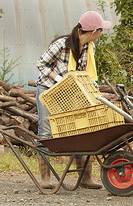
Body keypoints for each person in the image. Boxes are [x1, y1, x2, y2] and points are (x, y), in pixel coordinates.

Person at [35, 11, 112, 189]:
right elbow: (41, 63)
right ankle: (45, 179)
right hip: (48, 89)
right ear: (94, 31)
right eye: (101, 31)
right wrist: (57, 78)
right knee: (46, 131)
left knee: (80, 129)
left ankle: (85, 177)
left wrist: (91, 86)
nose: (101, 35)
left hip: (70, 91)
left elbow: (83, 72)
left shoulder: (88, 48)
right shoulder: (62, 44)